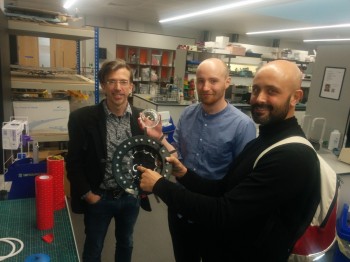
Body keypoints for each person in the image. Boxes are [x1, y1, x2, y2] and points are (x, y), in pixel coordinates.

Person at [138, 60, 321, 261]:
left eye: (272, 91)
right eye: (256, 90)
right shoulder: (265, 140)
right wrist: (184, 174)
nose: (259, 99)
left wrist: (160, 185)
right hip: (224, 241)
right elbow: (224, 187)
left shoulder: (291, 156)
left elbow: (225, 211)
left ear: (296, 97)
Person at [141, 57, 256, 261]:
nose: (205, 87)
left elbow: (241, 182)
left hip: (213, 216)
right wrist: (159, 138)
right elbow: (177, 155)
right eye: (200, 81)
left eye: (213, 81)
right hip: (180, 209)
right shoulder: (188, 114)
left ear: (227, 82)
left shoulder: (242, 125)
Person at [66, 59, 148, 262]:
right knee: (94, 247)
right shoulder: (82, 119)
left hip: (130, 198)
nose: (117, 88)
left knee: (126, 243)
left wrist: (142, 190)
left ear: (131, 86)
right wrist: (87, 194)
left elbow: (149, 155)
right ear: (103, 85)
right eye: (111, 81)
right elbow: (73, 162)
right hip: (99, 197)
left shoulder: (143, 119)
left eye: (123, 82)